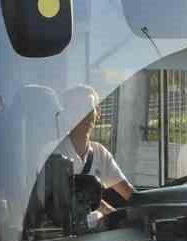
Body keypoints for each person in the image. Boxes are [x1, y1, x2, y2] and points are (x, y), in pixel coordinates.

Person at [53, 85, 133, 230]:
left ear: (98, 113)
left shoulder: (100, 153)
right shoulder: (52, 153)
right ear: (67, 114)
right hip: (62, 237)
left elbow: (130, 195)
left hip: (99, 236)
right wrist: (104, 207)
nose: (83, 114)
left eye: (89, 108)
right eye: (77, 108)